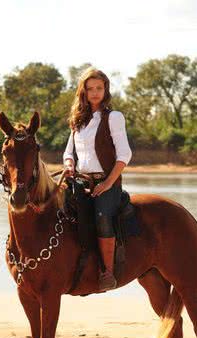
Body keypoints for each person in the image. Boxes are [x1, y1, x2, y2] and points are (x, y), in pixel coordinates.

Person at [62, 68, 132, 292]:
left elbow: (124, 155)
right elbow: (68, 152)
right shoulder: (77, 120)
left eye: (99, 88)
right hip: (81, 183)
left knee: (102, 218)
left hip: (107, 183)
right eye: (90, 88)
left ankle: (108, 273)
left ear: (105, 90)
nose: (94, 93)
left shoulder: (113, 117)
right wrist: (69, 165)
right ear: (83, 91)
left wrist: (108, 183)